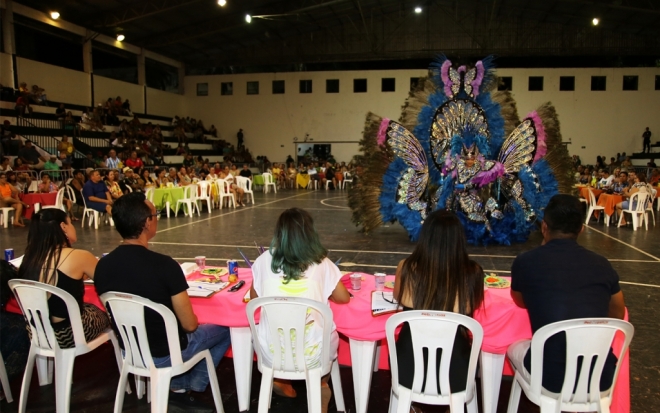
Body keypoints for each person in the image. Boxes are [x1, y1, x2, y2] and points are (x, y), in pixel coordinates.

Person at [94, 192, 231, 411]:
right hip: (166, 353)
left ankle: (179, 384)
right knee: (226, 328)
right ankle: (188, 383)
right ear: (147, 222)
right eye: (155, 215)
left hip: (130, 351)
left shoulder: (102, 266)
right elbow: (189, 325)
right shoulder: (164, 266)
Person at [510, 194, 625, 394]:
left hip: (549, 377)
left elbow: (520, 301)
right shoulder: (602, 264)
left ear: (544, 227)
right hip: (600, 376)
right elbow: (617, 313)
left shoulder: (526, 262)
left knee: (514, 348)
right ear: (581, 228)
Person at [249, 208, 350, 410]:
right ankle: (320, 383)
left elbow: (253, 297)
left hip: (272, 350)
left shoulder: (263, 261)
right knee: (324, 336)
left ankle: (281, 380)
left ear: (279, 233)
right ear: (310, 233)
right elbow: (343, 298)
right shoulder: (322, 262)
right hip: (313, 352)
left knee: (281, 342)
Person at [393, 210, 484, 395]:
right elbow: (471, 305)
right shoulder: (473, 272)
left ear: (425, 237)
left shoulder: (406, 268)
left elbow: (397, 297)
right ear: (459, 239)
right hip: (456, 369)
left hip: (407, 366)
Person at [17, 208, 110, 347]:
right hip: (68, 333)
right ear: (63, 226)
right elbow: (109, 281)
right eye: (71, 222)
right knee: (105, 311)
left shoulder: (29, 259)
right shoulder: (78, 256)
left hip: (36, 331)